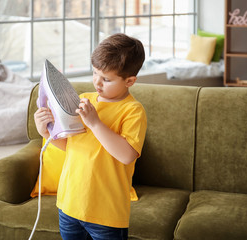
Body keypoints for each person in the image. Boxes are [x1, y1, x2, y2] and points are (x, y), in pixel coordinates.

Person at [34, 33, 147, 240]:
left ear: (129, 81)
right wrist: (45, 130)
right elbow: (71, 146)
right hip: (69, 205)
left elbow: (127, 155)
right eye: (95, 73)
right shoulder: (84, 100)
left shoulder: (133, 111)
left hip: (106, 213)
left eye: (106, 79)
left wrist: (95, 123)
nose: (98, 82)